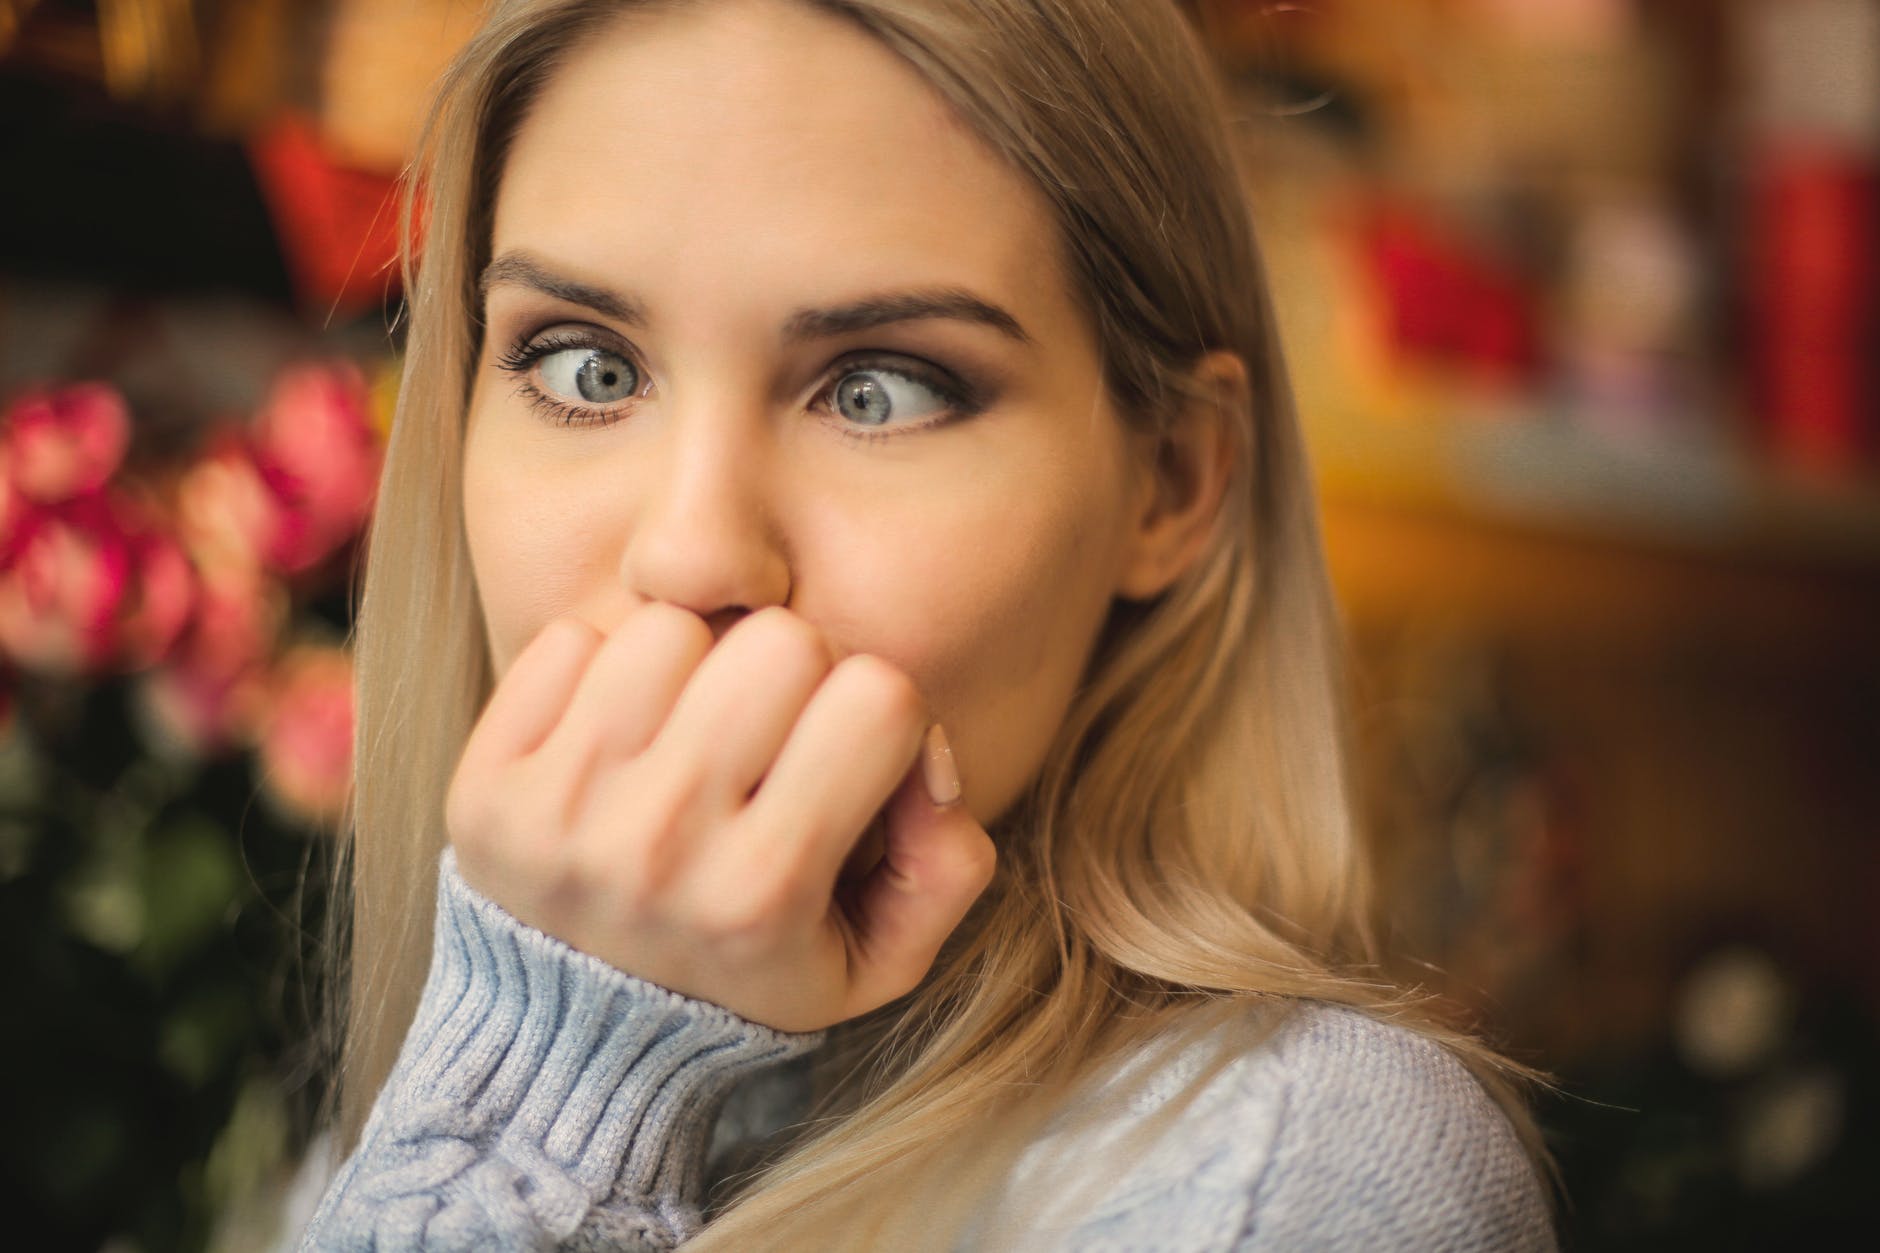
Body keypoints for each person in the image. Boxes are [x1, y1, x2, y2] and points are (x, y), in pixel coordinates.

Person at [299, 0, 1558, 1247]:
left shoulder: (1293, 1167)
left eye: (877, 389)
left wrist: (554, 1079)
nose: (689, 552)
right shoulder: (432, 1093)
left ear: (1169, 482)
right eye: (588, 367)